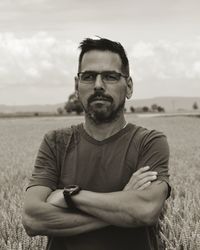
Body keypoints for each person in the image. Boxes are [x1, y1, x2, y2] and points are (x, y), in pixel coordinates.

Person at [22, 37, 171, 250]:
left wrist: (68, 196)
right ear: (77, 86)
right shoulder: (55, 142)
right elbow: (32, 219)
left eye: (110, 76)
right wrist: (124, 203)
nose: (98, 85)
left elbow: (146, 210)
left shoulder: (149, 142)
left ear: (128, 87)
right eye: (89, 77)